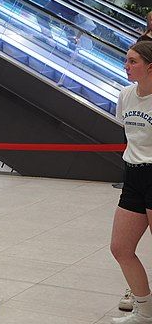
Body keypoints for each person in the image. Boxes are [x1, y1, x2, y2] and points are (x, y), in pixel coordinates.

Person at [110, 41, 152, 324]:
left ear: (150, 66)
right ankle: (145, 310)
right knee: (120, 248)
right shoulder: (126, 95)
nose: (126, 66)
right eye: (126, 60)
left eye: (133, 61)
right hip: (133, 175)